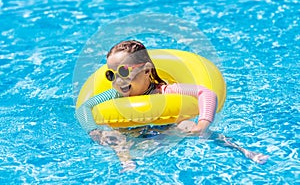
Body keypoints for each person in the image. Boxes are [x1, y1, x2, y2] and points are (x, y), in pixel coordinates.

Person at [76, 40, 268, 172]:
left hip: (166, 133)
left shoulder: (165, 91)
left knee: (187, 125)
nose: (117, 80)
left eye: (123, 71)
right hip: (132, 135)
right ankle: (127, 164)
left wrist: (202, 124)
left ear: (146, 70)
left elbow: (206, 93)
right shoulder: (115, 94)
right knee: (113, 135)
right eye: (111, 74)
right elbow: (84, 108)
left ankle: (243, 151)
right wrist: (94, 132)